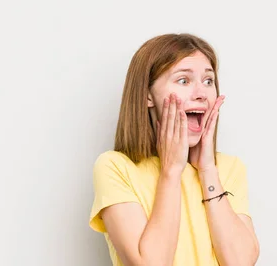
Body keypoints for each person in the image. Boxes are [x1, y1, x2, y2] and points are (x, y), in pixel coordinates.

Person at [89, 33, 260, 266]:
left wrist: (207, 169)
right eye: (184, 80)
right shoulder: (116, 167)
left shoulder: (229, 168)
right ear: (148, 95)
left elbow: (241, 262)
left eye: (208, 81)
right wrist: (171, 171)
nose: (201, 93)